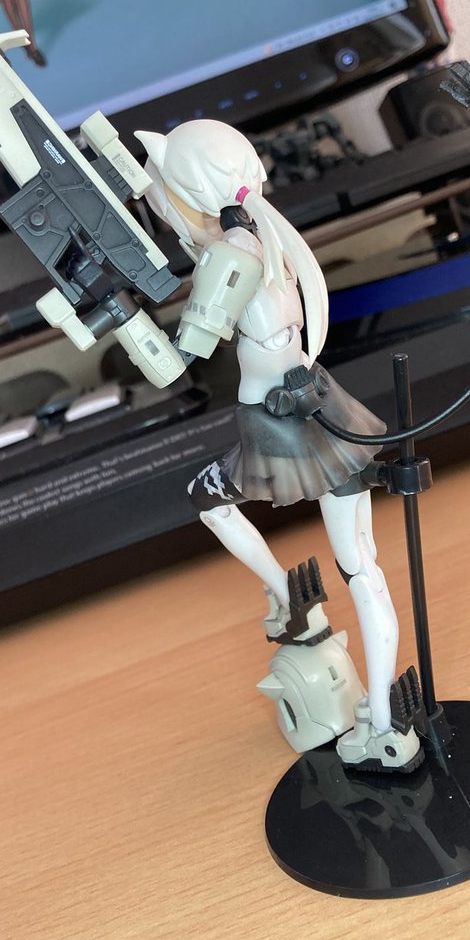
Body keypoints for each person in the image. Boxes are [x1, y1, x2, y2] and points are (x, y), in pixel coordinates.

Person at [136, 119, 422, 773]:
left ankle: (289, 597)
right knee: (363, 569)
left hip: (276, 423)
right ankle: (383, 721)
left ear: (185, 193)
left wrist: (131, 323)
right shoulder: (271, 236)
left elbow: (179, 358)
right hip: (320, 404)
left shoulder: (232, 256)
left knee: (207, 499)